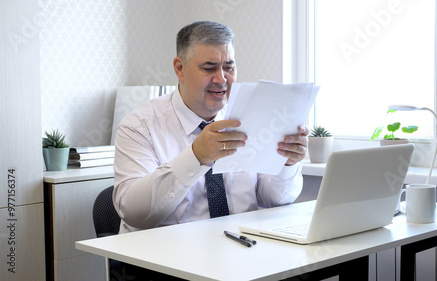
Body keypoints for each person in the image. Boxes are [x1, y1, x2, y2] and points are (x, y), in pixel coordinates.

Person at [113, 21, 308, 235]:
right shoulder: (140, 126)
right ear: (180, 68)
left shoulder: (250, 118)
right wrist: (196, 158)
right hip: (170, 257)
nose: (221, 79)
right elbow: (134, 214)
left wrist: (287, 163)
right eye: (209, 68)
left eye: (229, 67)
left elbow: (273, 199)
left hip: (242, 251)